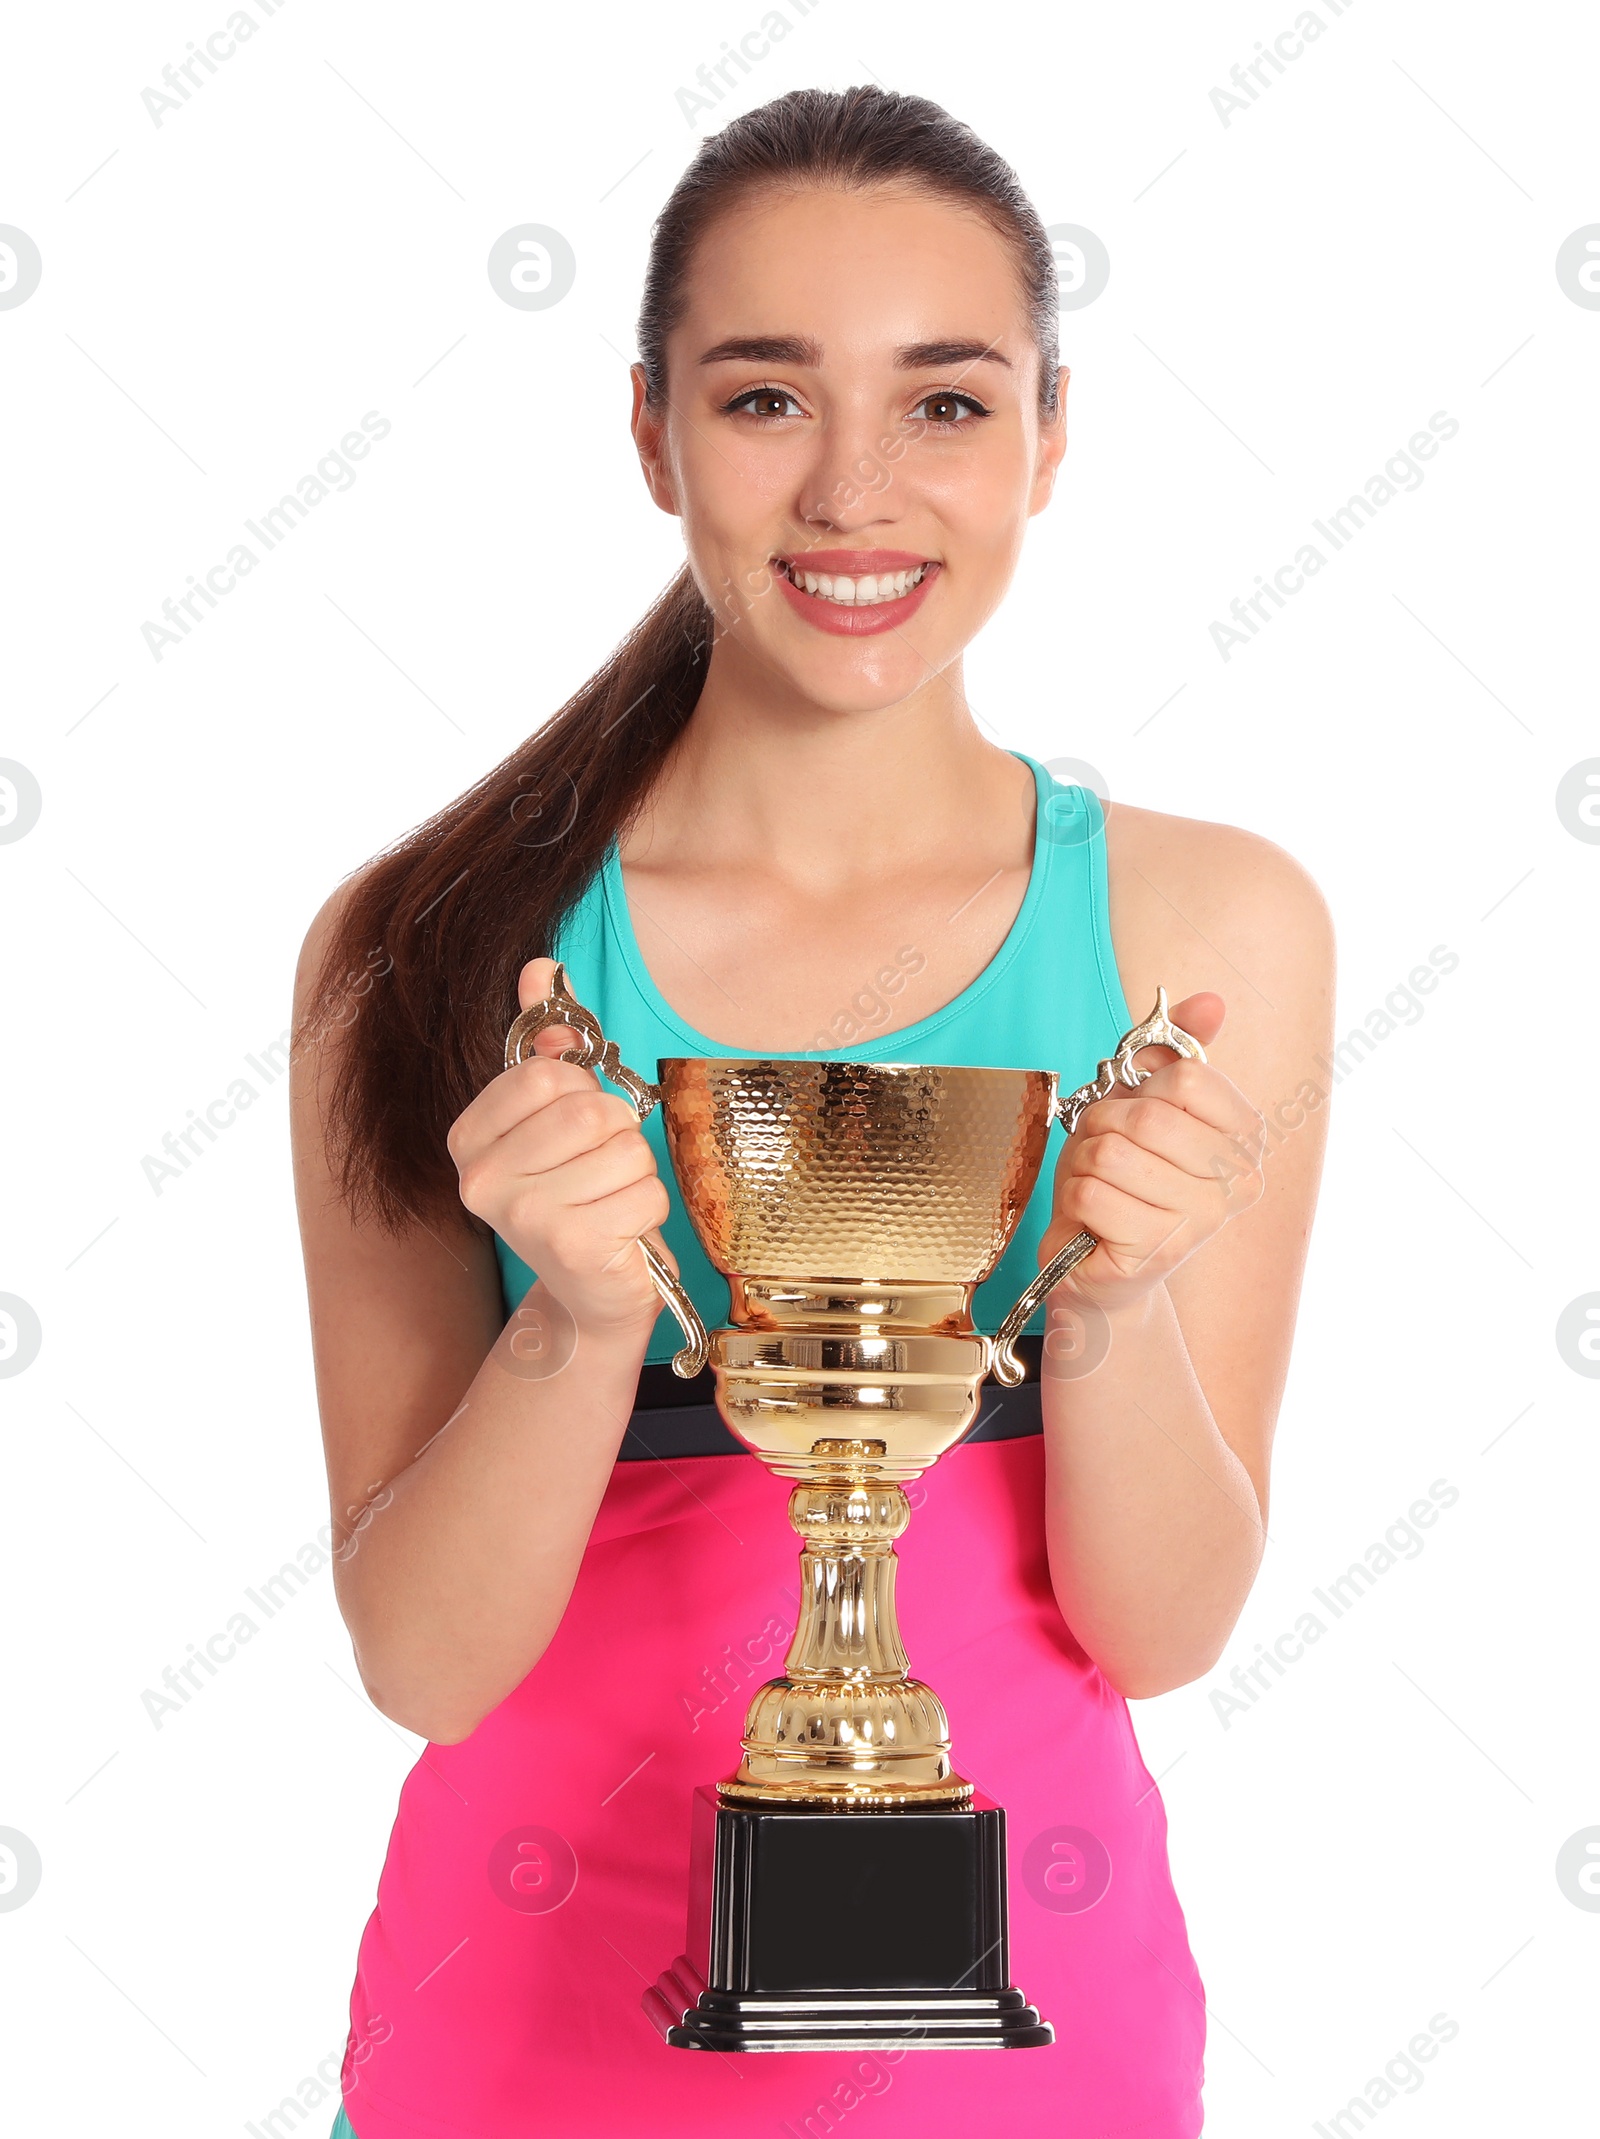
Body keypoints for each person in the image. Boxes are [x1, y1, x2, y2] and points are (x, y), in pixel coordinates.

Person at [290, 84, 1332, 2139]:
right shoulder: (420, 944)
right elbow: (420, 1663)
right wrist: (575, 1318)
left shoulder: (1207, 923)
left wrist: (1111, 1298)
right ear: (650, 431)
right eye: (765, 398)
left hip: (1026, 2035)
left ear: (1046, 434)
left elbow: (1162, 1624)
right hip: (526, 2035)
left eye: (942, 405)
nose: (854, 490)